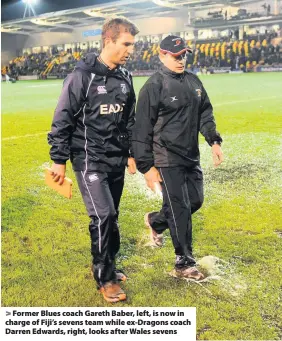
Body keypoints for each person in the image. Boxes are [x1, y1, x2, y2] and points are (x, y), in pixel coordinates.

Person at [48, 17, 139, 302]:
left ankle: (109, 262)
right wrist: (58, 159)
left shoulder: (125, 77)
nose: (130, 50)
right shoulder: (82, 77)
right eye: (126, 44)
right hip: (88, 157)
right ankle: (104, 277)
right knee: (103, 214)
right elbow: (62, 118)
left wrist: (132, 153)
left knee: (112, 216)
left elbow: (129, 120)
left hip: (115, 158)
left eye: (133, 45)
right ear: (108, 41)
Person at [133, 35, 223, 281]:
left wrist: (213, 140)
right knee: (180, 208)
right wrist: (146, 167)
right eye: (176, 55)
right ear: (162, 55)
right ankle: (183, 263)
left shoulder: (194, 81)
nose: (181, 59)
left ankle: (155, 221)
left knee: (195, 201)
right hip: (165, 158)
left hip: (190, 156)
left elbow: (205, 112)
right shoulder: (153, 86)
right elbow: (141, 130)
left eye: (184, 54)